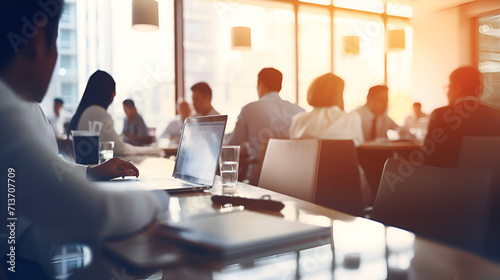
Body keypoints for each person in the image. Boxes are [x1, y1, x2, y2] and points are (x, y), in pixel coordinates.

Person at [0, 1, 169, 278]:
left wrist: (90, 171)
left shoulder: (26, 107)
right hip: (15, 260)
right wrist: (159, 201)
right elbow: (92, 213)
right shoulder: (7, 113)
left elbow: (48, 168)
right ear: (36, 41)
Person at [226, 68, 305, 185]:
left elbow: (232, 145)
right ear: (280, 86)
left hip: (259, 177)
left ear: (260, 85)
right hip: (294, 177)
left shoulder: (250, 109)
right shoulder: (299, 110)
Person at [69, 70, 161, 156]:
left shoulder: (84, 112)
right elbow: (120, 149)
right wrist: (153, 150)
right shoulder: (97, 112)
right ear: (109, 93)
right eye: (113, 94)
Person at [424, 66, 500, 167]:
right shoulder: (496, 115)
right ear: (479, 90)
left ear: (456, 88)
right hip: (491, 180)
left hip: (450, 180)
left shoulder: (440, 115)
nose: (447, 92)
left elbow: (429, 157)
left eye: (448, 87)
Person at [289, 73, 364, 146]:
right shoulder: (353, 118)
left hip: (306, 158)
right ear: (339, 95)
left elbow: (293, 147)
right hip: (344, 158)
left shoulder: (299, 119)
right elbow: (358, 143)